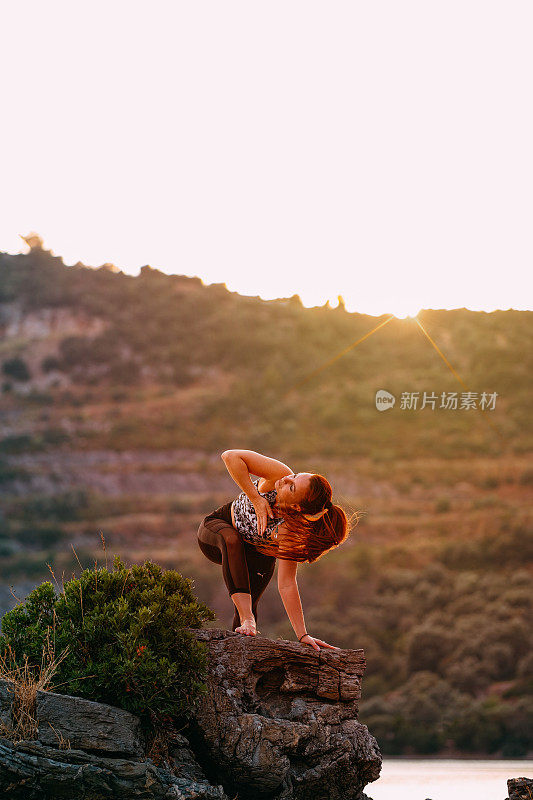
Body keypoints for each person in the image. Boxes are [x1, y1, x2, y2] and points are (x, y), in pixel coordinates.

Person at [197, 449, 362, 651]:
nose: (285, 480)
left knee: (246, 618)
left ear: (297, 508)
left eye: (291, 487)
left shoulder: (290, 531)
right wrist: (256, 498)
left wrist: (303, 634)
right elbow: (230, 456)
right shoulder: (278, 475)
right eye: (294, 476)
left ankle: (241, 642)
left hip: (255, 552)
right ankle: (247, 617)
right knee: (232, 540)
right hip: (216, 531)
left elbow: (287, 584)